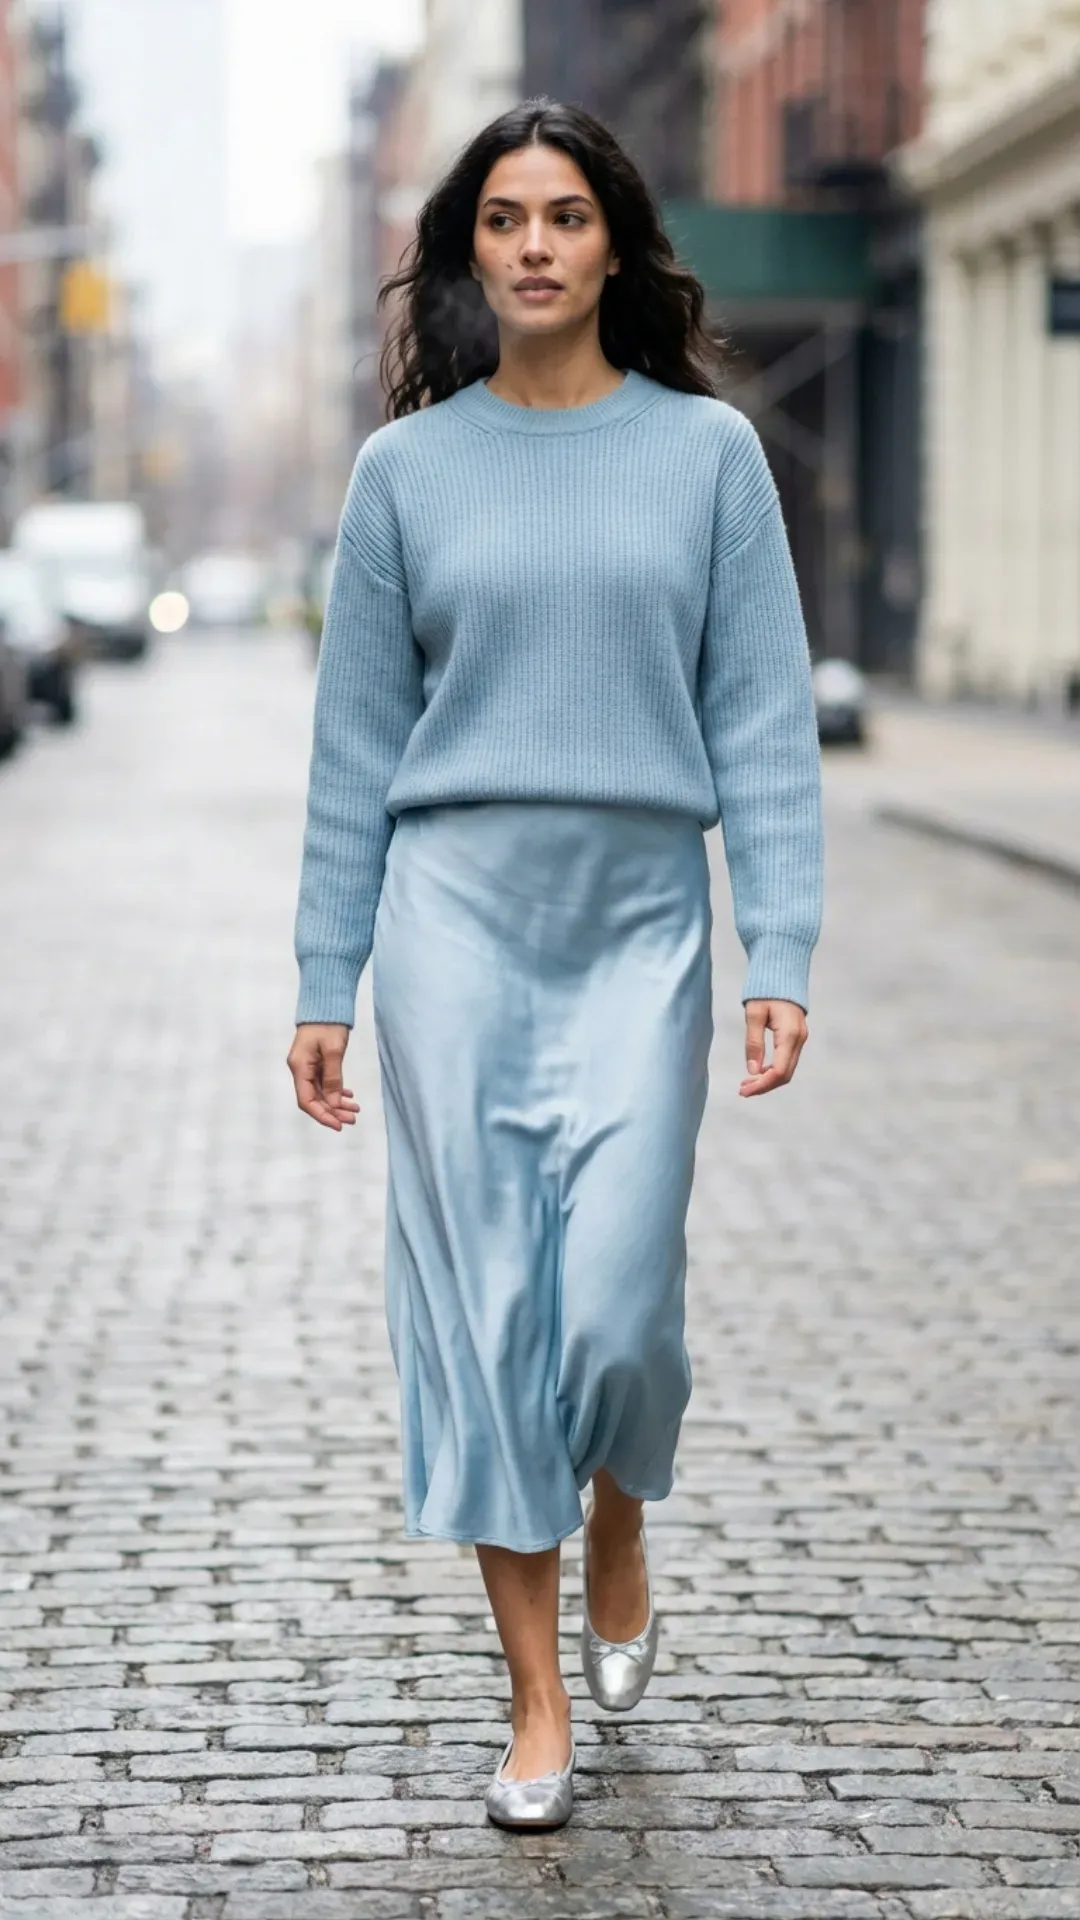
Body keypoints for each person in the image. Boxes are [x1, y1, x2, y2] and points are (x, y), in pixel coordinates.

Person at [287, 99, 823, 1832]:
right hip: (453, 920)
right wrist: (325, 975)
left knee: (618, 1312)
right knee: (491, 1313)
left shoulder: (709, 456)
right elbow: (354, 750)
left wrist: (779, 947)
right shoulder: (405, 475)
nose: (534, 245)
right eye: (505, 218)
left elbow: (764, 721)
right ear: (469, 251)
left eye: (566, 216)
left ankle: (622, 1511)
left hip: (640, 918)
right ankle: (534, 1707)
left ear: (614, 245)